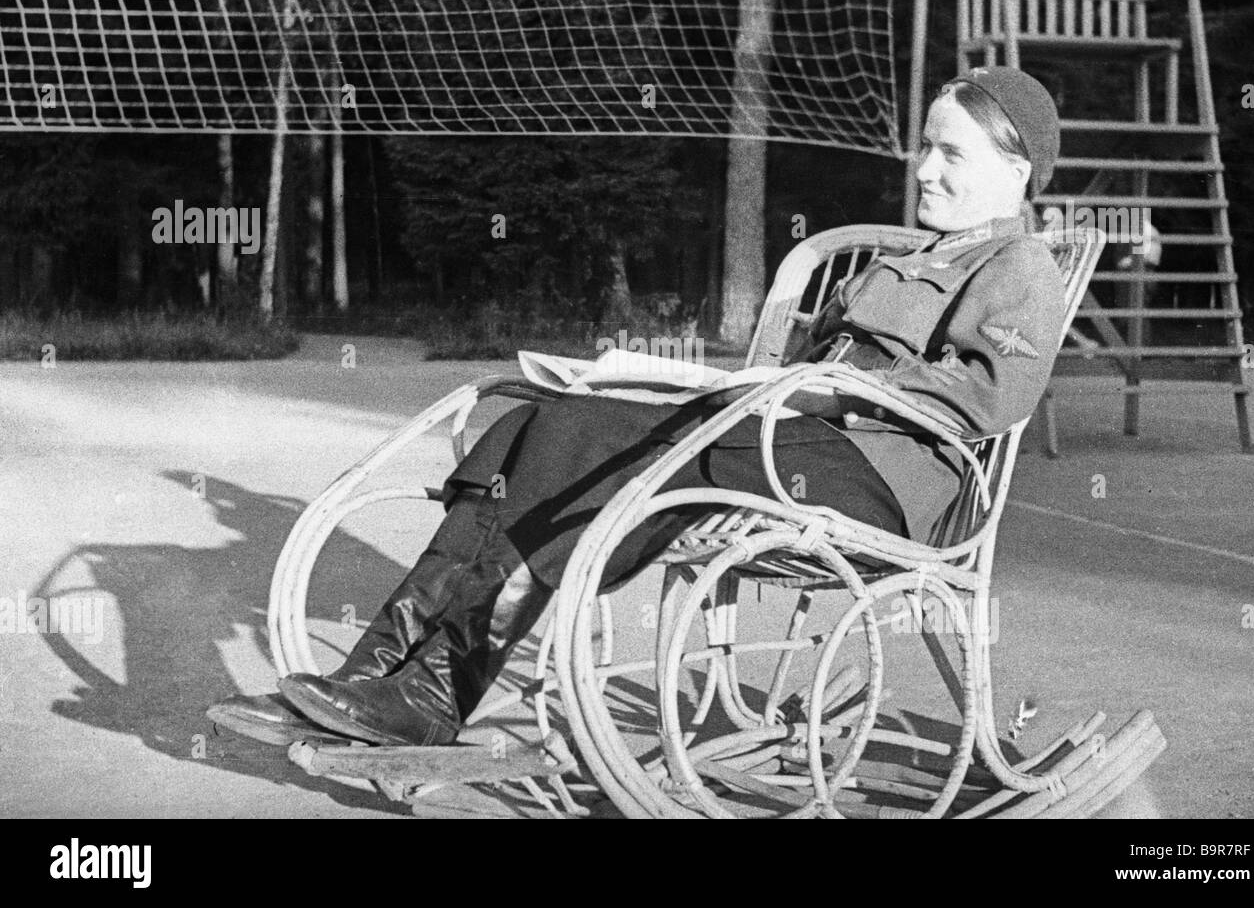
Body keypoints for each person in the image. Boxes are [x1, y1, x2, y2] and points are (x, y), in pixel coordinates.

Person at [209, 66, 1067, 748]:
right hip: (790, 436)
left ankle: (437, 691)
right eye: (926, 147)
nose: (924, 169)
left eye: (951, 154)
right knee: (531, 418)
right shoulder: (912, 258)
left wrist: (841, 391)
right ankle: (384, 666)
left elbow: (989, 396)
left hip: (880, 478)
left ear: (1015, 169)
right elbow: (806, 367)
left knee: (596, 433)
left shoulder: (1018, 265)